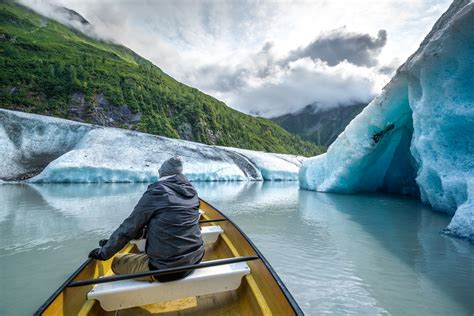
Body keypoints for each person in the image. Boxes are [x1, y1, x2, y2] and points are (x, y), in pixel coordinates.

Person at [88, 156, 204, 282]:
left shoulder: (158, 191)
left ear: (162, 174)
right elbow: (169, 224)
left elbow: (130, 227)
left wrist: (104, 252)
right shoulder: (192, 191)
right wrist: (111, 242)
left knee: (117, 262)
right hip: (195, 258)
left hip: (167, 270)